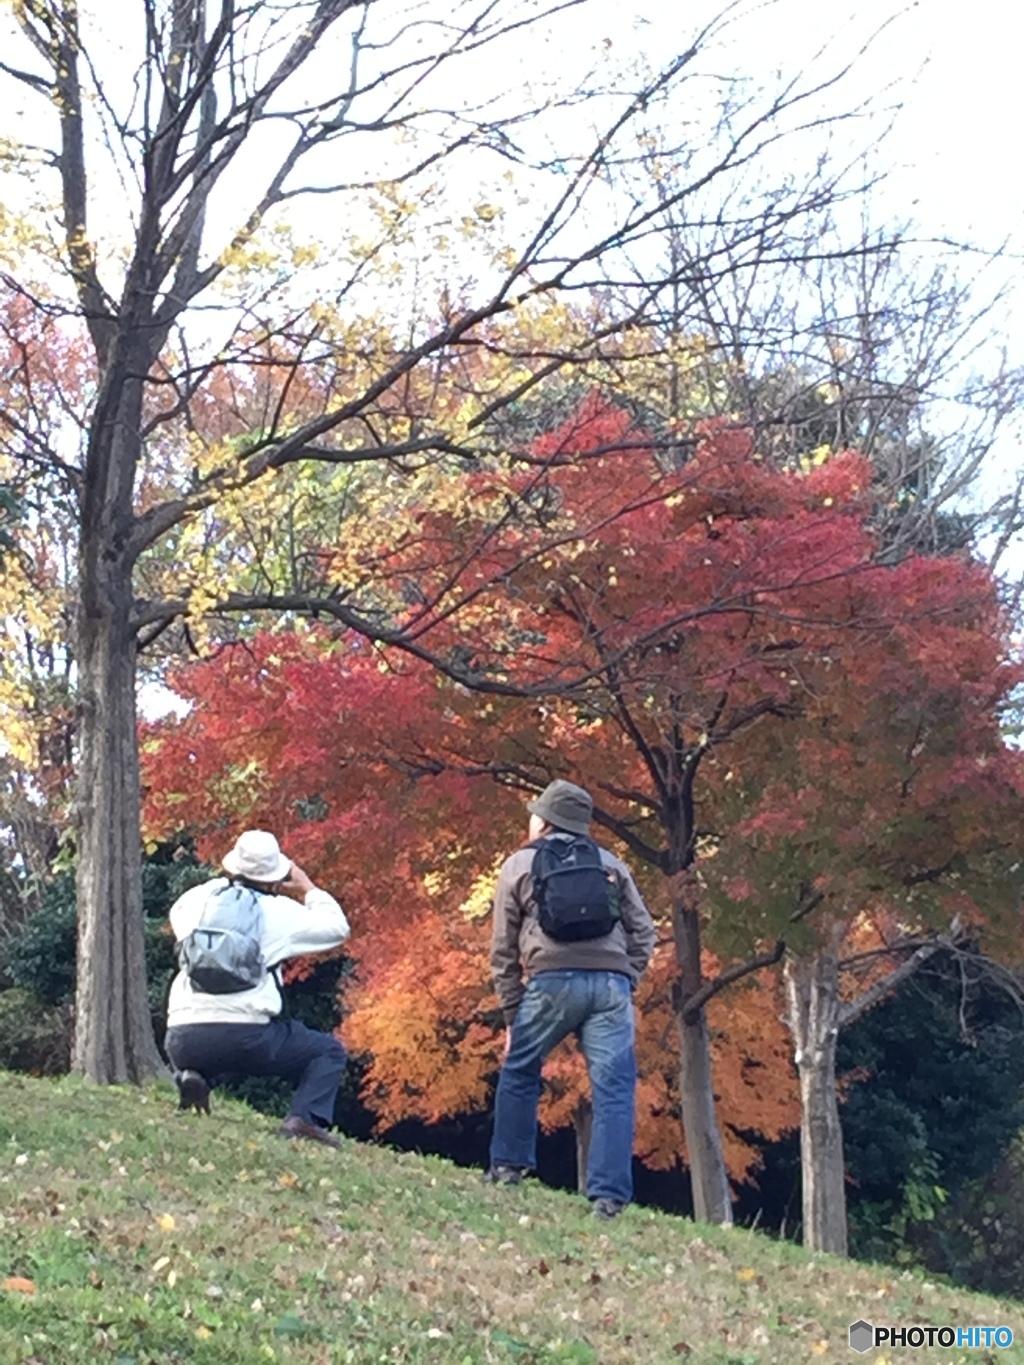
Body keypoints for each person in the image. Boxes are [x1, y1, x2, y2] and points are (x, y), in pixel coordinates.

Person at [486, 779, 656, 1218]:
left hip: (550, 981)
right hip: (610, 986)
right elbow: (644, 931)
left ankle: (508, 1166)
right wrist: (627, 975)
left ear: (543, 820)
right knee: (614, 1089)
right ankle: (609, 1197)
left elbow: (502, 947)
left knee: (521, 1068)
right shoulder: (611, 864)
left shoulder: (519, 865)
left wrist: (511, 1011)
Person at [165, 829, 350, 1147]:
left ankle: (196, 1075)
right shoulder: (280, 913)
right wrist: (306, 887)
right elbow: (337, 928)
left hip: (182, 1038)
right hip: (248, 1038)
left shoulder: (196, 901)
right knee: (327, 1052)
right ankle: (303, 1120)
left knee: (216, 1042)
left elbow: (179, 912)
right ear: (275, 875)